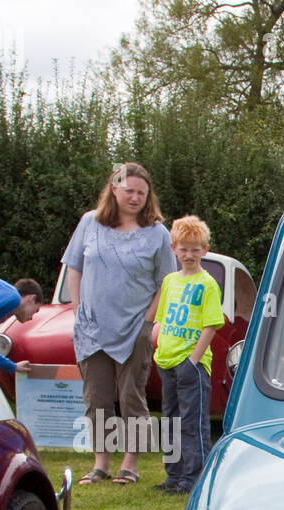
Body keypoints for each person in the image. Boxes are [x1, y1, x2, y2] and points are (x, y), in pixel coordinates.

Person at [64, 162, 177, 484]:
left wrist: (147, 321)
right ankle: (101, 465)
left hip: (133, 330)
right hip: (92, 329)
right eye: (129, 190)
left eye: (142, 193)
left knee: (131, 398)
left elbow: (166, 283)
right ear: (114, 189)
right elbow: (74, 268)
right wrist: (78, 310)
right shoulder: (89, 223)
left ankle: (130, 465)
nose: (135, 197)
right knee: (97, 398)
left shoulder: (157, 234)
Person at [149, 215, 224, 495]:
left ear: (205, 250)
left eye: (195, 249)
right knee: (170, 419)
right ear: (174, 249)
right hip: (166, 361)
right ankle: (174, 474)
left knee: (192, 422)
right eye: (184, 248)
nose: (189, 255)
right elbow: (161, 319)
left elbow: (211, 324)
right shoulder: (169, 282)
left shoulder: (207, 284)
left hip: (190, 364)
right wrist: (158, 349)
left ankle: (193, 477)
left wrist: (193, 360)